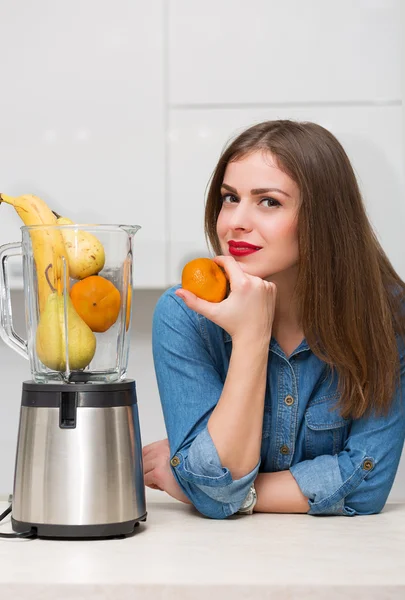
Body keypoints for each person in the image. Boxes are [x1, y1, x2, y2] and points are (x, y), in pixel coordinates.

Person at [143, 120, 405, 519]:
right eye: (230, 198)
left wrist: (221, 491)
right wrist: (250, 336)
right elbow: (214, 487)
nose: (235, 222)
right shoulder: (185, 314)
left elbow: (366, 486)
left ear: (324, 218)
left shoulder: (387, 318)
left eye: (269, 202)